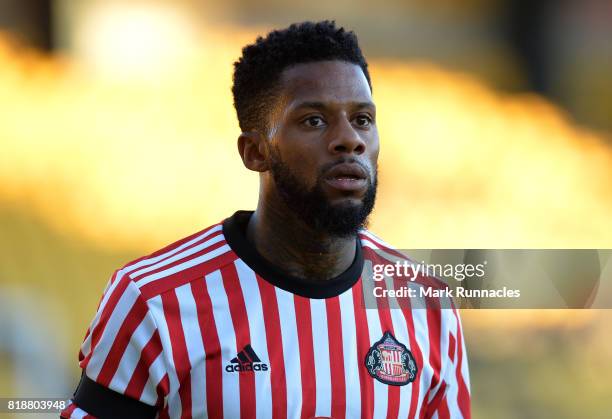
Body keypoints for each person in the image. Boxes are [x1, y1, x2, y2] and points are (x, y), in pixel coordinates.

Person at [61, 20, 470, 419]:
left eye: (362, 119)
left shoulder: (426, 301)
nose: (350, 139)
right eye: (314, 120)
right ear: (255, 152)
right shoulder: (153, 300)